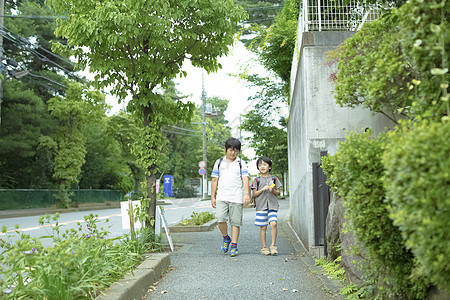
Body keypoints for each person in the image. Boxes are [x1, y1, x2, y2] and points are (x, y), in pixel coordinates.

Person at [211, 137, 250, 257]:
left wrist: (246, 194)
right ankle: (225, 238)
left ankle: (234, 245)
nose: (233, 153)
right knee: (220, 218)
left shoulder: (240, 163)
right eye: (231, 150)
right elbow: (214, 179)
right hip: (222, 196)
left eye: (236, 150)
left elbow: (245, 178)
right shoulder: (219, 162)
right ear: (226, 149)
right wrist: (212, 196)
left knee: (235, 222)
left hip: (236, 197)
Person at [251, 156, 282, 255]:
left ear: (269, 167)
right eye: (260, 165)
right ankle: (264, 248)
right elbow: (254, 194)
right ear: (258, 168)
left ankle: (273, 246)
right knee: (263, 227)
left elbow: (279, 193)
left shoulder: (274, 179)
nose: (262, 167)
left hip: (272, 205)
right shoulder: (256, 180)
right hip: (261, 206)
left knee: (273, 223)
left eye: (264, 164)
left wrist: (272, 190)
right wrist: (263, 189)